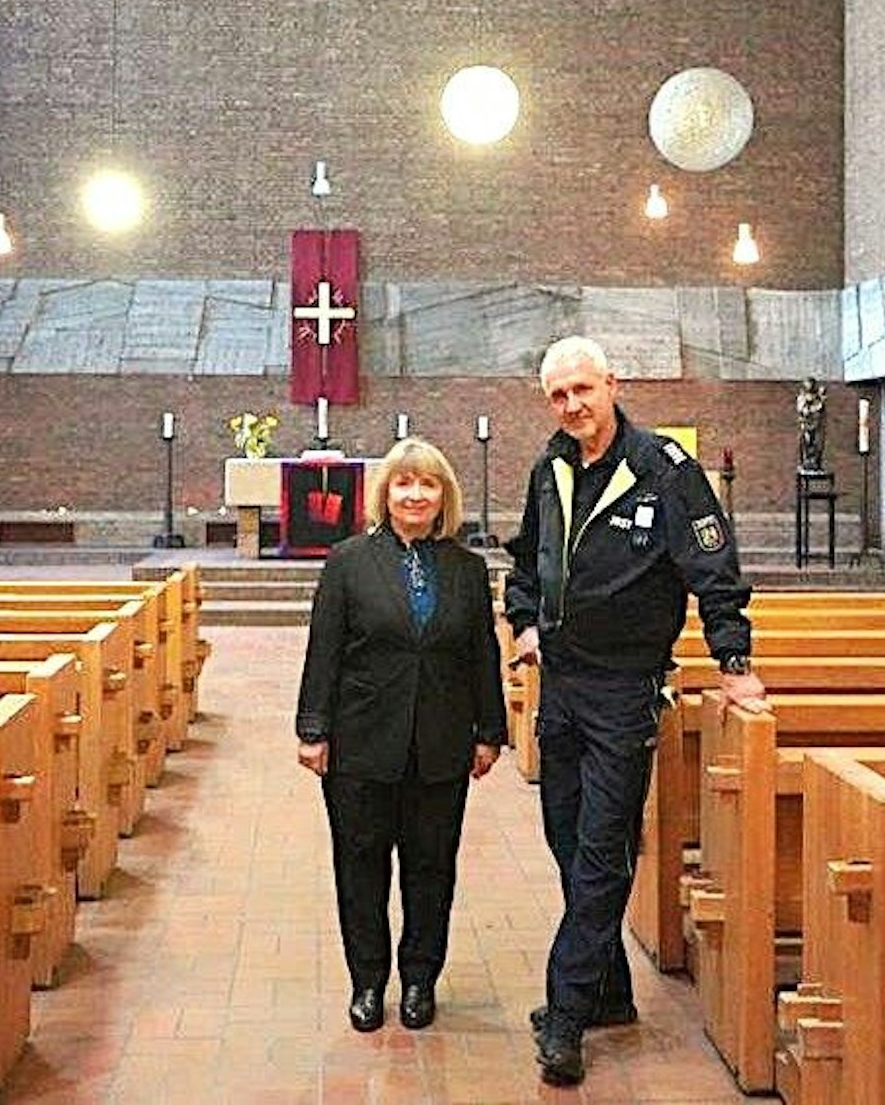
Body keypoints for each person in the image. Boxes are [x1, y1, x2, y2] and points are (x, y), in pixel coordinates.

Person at [504, 334, 767, 1086]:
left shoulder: (666, 471)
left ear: (612, 383)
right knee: (566, 839)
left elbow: (716, 572)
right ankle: (609, 991)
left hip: (625, 687)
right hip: (560, 684)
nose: (572, 405)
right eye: (558, 395)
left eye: (582, 389)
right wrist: (522, 621)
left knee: (601, 849)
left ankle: (565, 1015)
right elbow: (526, 560)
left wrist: (735, 663)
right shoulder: (548, 466)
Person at [294, 437, 508, 1034]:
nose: (415, 494)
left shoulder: (467, 569)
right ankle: (368, 981)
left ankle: (419, 979)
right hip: (361, 744)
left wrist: (490, 730)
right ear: (384, 494)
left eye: (428, 484)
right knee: (360, 865)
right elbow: (325, 651)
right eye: (403, 483)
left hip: (440, 745)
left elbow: (481, 655)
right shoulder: (348, 562)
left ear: (445, 497)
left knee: (431, 866)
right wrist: (313, 729)